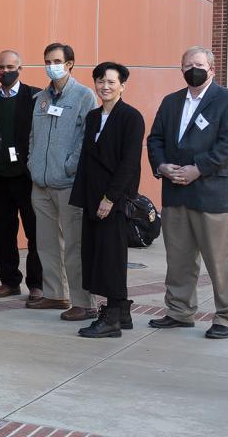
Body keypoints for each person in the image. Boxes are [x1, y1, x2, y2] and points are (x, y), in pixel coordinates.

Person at [146, 46, 228, 339]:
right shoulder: (171, 102)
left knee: (220, 260)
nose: (194, 68)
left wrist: (197, 169)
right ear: (182, 70)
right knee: (178, 258)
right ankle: (179, 312)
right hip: (176, 193)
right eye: (188, 64)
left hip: (212, 195)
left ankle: (226, 318)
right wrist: (162, 165)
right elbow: (156, 139)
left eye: (199, 64)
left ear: (212, 69)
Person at [72, 62, 144, 338]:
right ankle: (122, 312)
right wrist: (84, 198)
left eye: (111, 82)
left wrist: (109, 198)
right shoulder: (92, 117)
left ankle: (111, 319)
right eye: (100, 81)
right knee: (95, 256)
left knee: (112, 259)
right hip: (91, 198)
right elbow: (86, 160)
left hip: (113, 200)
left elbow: (129, 163)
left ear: (123, 85)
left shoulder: (131, 117)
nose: (105, 86)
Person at [27, 42, 98, 320]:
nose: (50, 65)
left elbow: (87, 138)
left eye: (56, 60)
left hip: (68, 183)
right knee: (46, 243)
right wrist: (33, 163)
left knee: (74, 245)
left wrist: (70, 166)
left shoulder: (83, 96)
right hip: (41, 183)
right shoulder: (41, 98)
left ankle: (83, 301)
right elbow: (34, 135)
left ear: (69, 63)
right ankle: (56, 294)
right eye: (47, 60)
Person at [0, 50, 43, 301]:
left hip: (28, 177)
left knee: (35, 232)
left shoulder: (37, 96)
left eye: (9, 66)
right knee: (1, 231)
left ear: (20, 67)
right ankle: (9, 281)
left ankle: (37, 284)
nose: (4, 72)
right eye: (0, 67)